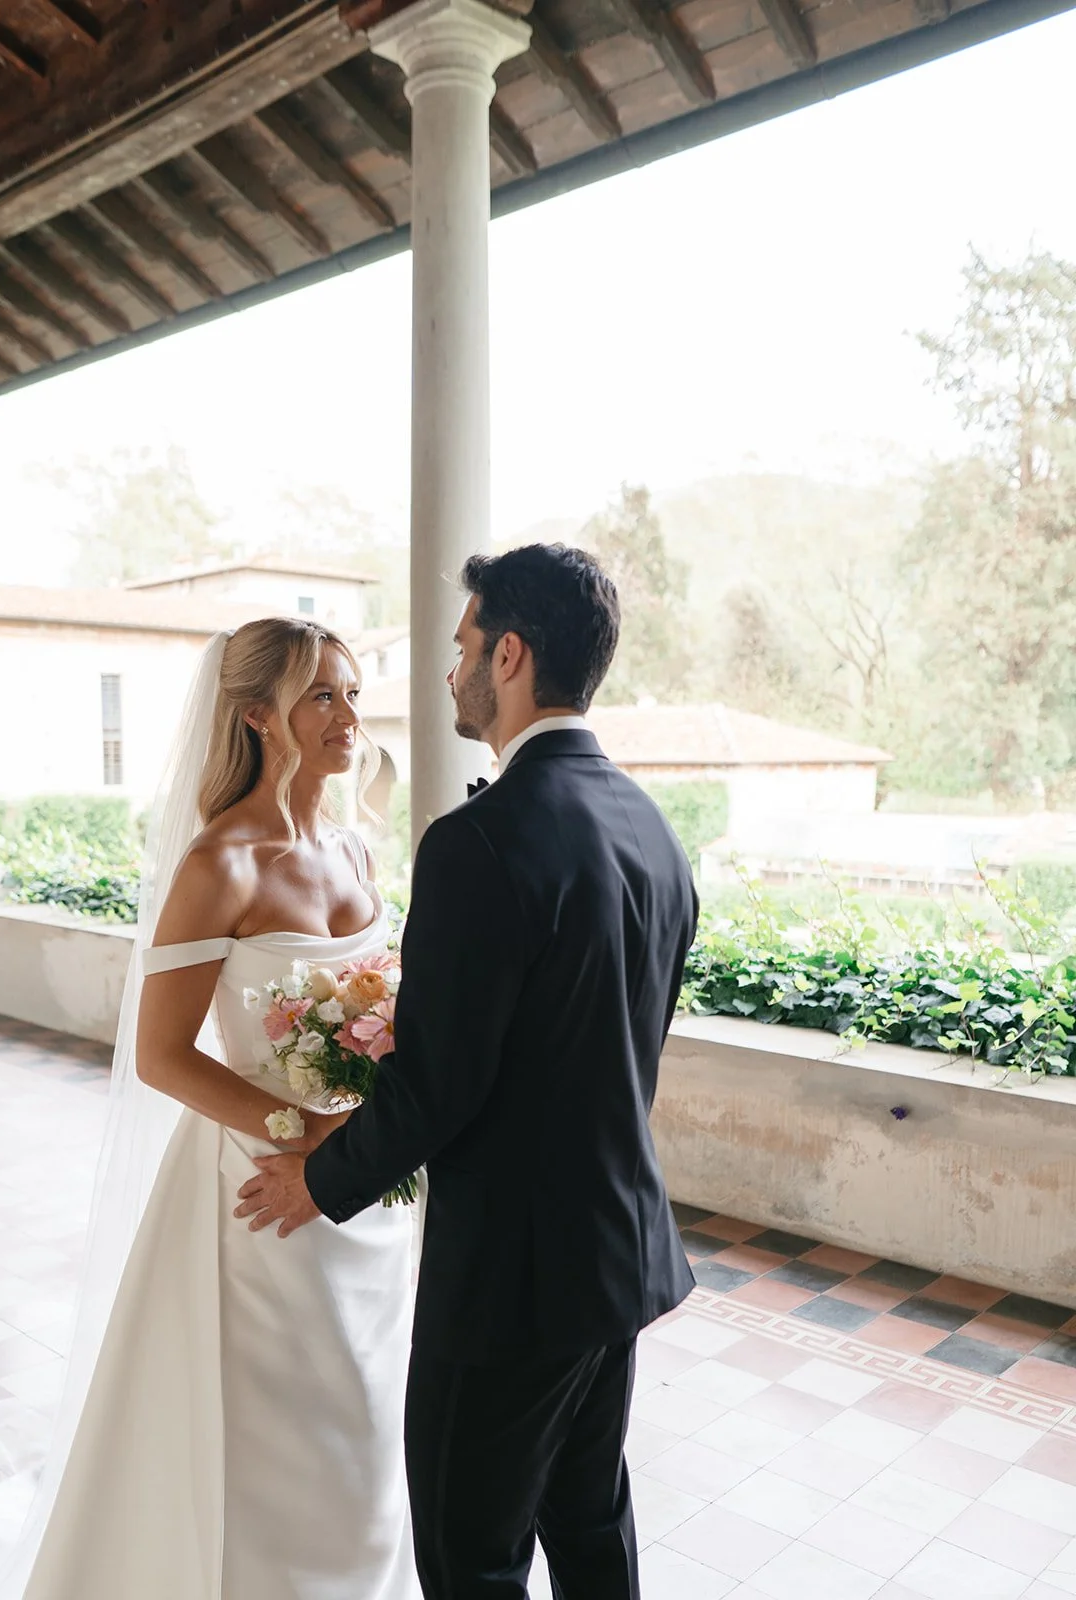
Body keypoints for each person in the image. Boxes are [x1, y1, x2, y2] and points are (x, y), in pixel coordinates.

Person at [0, 618, 420, 1600]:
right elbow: (163, 1053)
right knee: (272, 1419)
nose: (348, 716)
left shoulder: (353, 847)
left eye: (349, 692)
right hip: (262, 1182)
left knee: (362, 1408)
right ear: (259, 715)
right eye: (320, 696)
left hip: (368, 1187)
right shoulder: (223, 860)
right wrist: (306, 1140)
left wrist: (367, 1136)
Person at [236, 544, 700, 1600]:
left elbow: (439, 1084)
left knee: (470, 1554)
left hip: (511, 1281)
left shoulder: (476, 843)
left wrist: (318, 1178)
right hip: (616, 1254)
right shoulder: (651, 829)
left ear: (509, 654)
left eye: (458, 648)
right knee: (587, 1521)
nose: (447, 673)